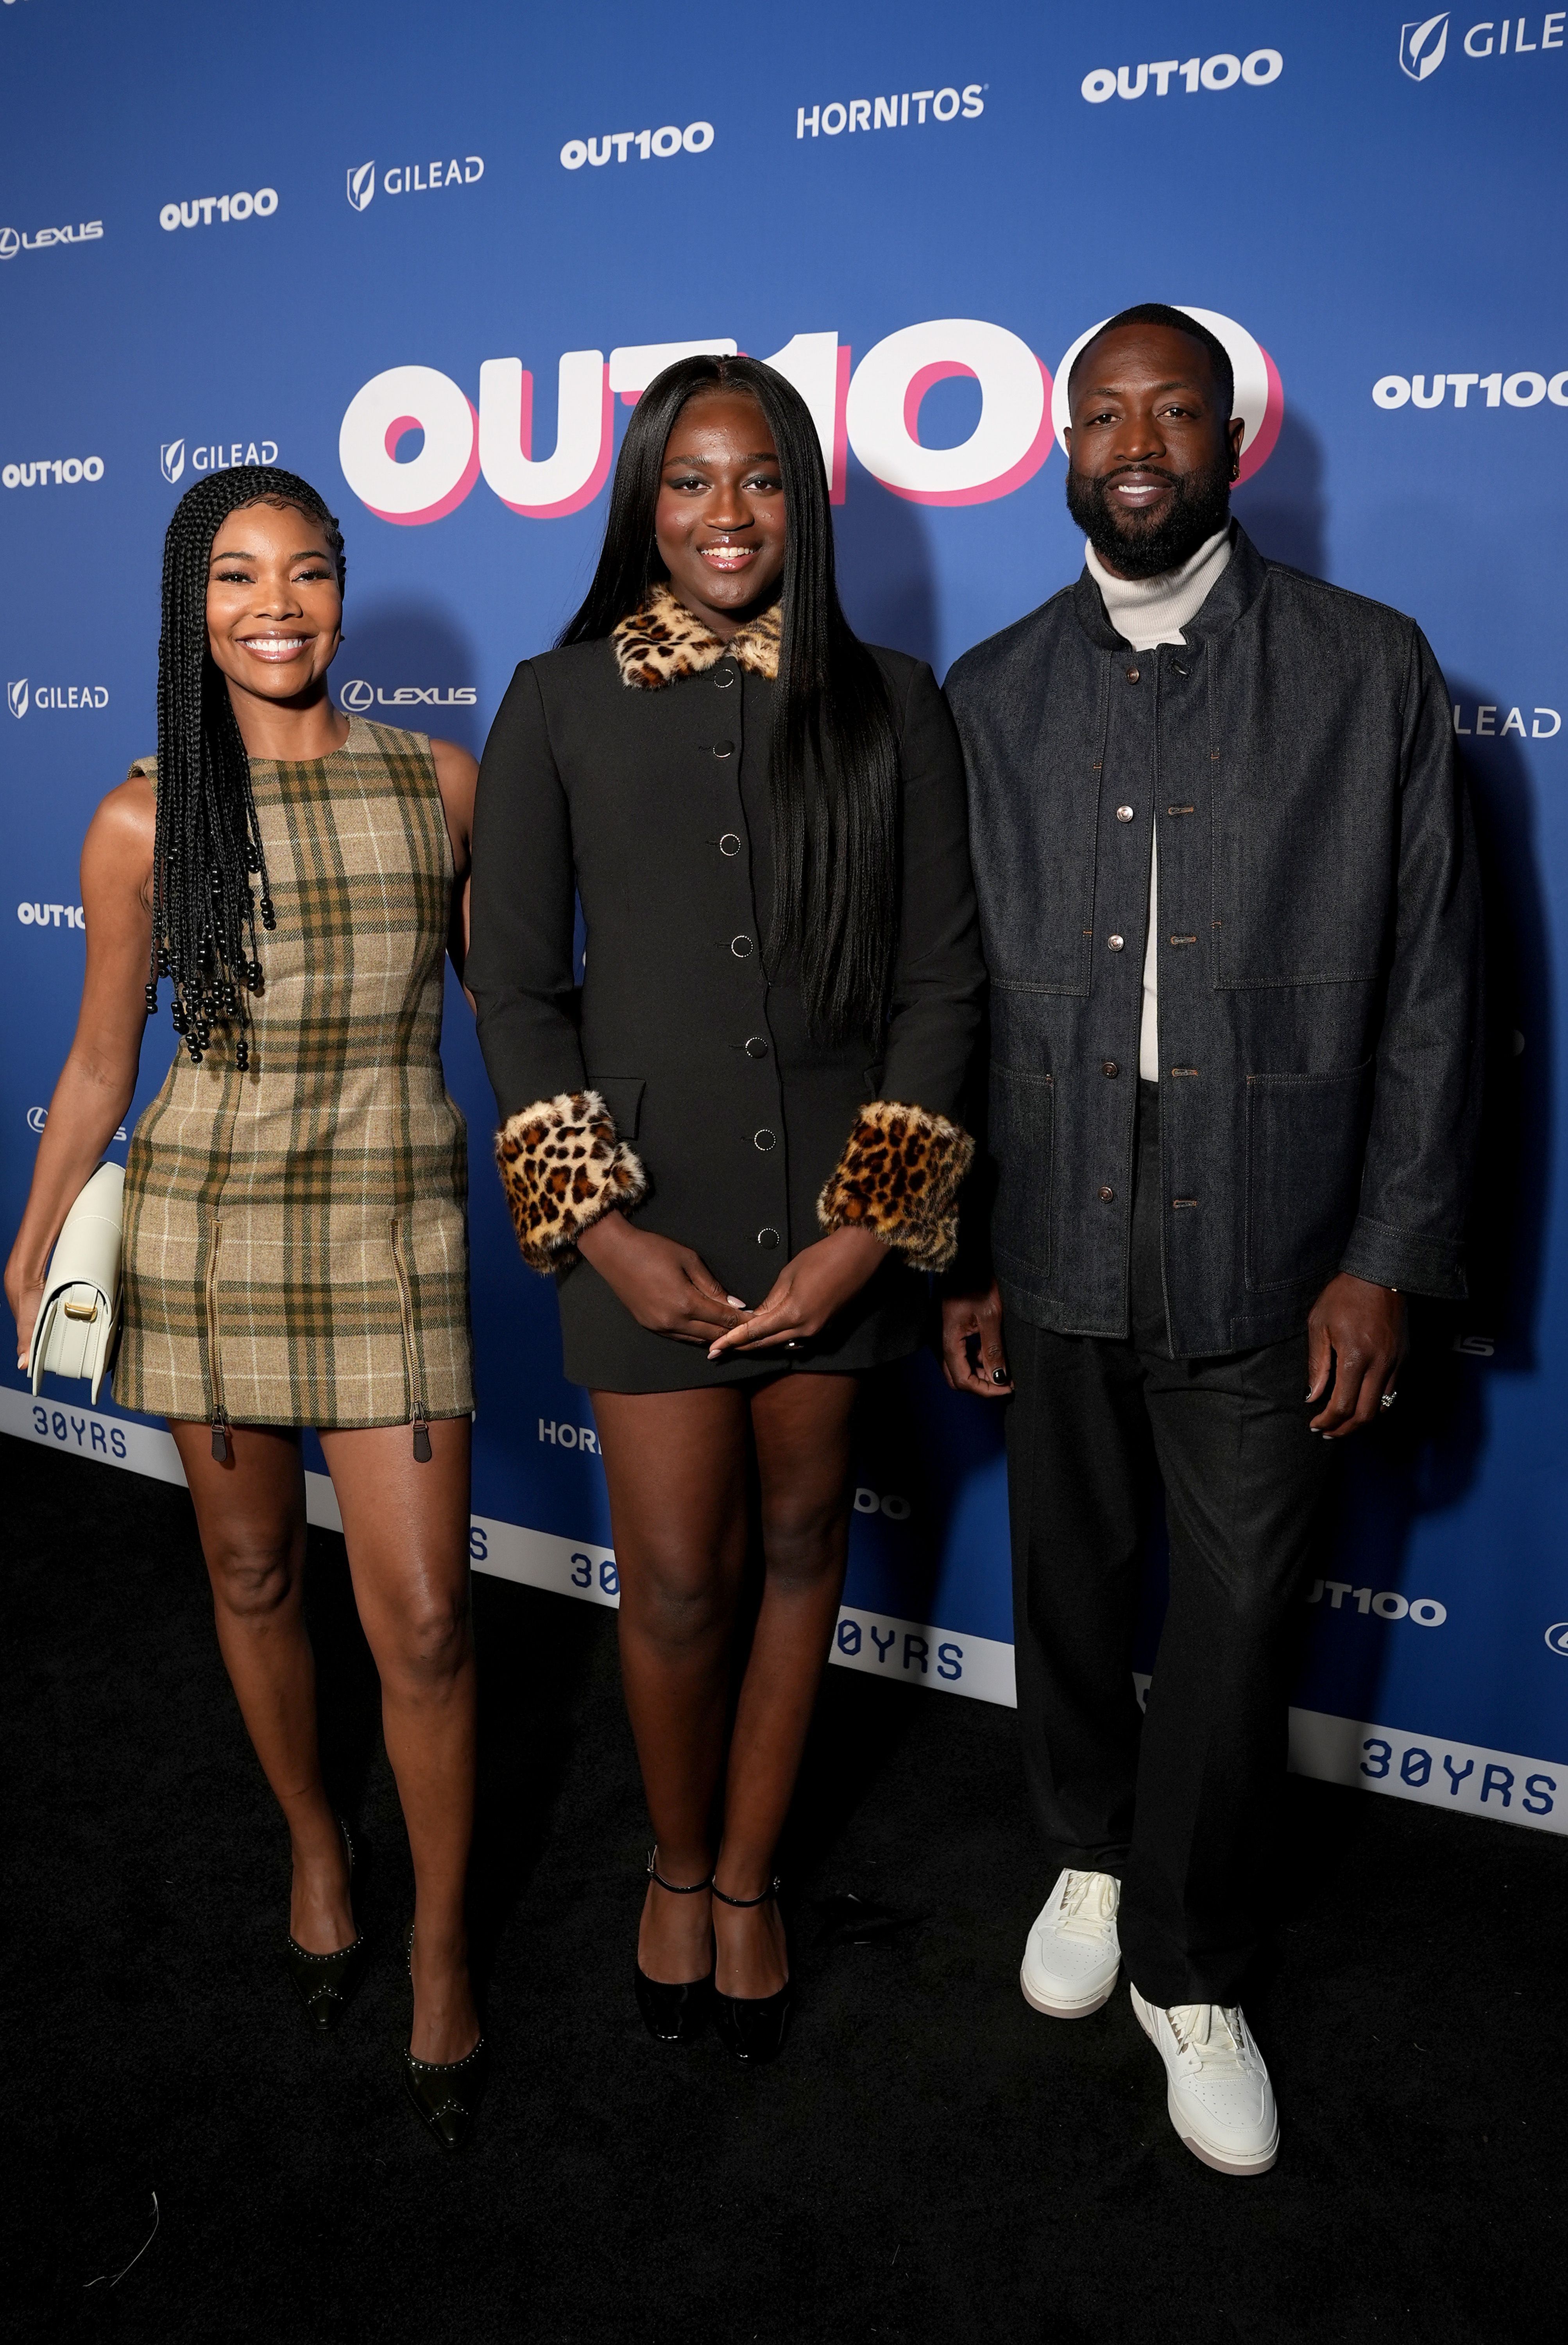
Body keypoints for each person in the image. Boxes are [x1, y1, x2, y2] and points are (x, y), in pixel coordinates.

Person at [942, 304, 1481, 2175]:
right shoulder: (989, 694)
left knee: (1242, 1620)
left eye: (1176, 407)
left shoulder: (1368, 671)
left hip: (1277, 1238)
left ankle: (1193, 1962)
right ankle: (1088, 1857)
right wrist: (963, 1250)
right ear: (1061, 447)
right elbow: (951, 1010)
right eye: (1107, 412)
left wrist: (1386, 1256)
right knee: (1073, 1583)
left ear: (1234, 437)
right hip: (1052, 1205)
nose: (1140, 438)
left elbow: (1433, 991)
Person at [468, 355, 983, 2062]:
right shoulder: (554, 701)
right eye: (689, 482)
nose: (725, 515)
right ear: (640, 498)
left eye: (758, 479)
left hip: (840, 1222)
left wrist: (871, 1227)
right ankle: (678, 1863)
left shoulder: (893, 698)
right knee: (676, 1580)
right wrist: (599, 1226)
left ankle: (750, 1882)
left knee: (796, 1555)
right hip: (645, 1222)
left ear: (803, 501)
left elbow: (938, 986)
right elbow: (519, 995)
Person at [6, 467, 486, 2150]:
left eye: (306, 573)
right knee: (252, 1565)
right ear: (187, 607)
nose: (274, 605)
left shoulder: (439, 784)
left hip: (394, 1227)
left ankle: (440, 1944)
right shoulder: (144, 818)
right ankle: (311, 1843)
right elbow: (95, 1061)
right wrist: (38, 1224)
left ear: (344, 594)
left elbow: (538, 1013)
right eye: (234, 577)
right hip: (212, 1226)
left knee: (424, 1618)